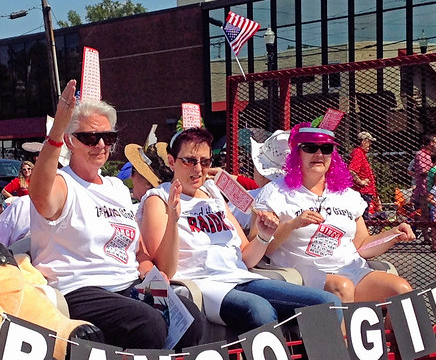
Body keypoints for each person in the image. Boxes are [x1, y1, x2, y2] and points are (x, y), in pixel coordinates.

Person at [28, 79, 205, 350]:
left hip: (129, 285)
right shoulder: (63, 183)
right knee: (149, 324)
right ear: (70, 141)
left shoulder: (117, 188)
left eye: (108, 138)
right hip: (79, 288)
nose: (100, 145)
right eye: (89, 137)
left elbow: (138, 252)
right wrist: (56, 131)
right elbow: (40, 195)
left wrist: (153, 276)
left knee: (191, 318)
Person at [138, 126, 341, 333]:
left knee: (328, 303)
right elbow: (165, 269)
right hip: (202, 283)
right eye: (190, 160)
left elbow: (246, 258)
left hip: (240, 277)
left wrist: (263, 236)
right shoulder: (159, 199)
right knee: (258, 310)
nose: (198, 169)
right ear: (172, 161)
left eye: (205, 162)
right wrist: (173, 218)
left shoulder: (213, 194)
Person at [254, 124, 415, 305]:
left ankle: (389, 334)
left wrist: (393, 235)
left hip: (351, 270)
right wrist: (292, 225)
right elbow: (260, 247)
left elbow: (361, 246)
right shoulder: (275, 192)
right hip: (301, 274)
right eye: (310, 148)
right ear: (296, 154)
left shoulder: (347, 195)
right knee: (342, 287)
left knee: (401, 290)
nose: (319, 154)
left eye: (326, 148)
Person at [347, 131, 379, 219]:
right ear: (363, 141)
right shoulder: (358, 153)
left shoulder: (362, 154)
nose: (370, 144)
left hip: (366, 192)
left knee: (365, 216)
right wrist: (360, 182)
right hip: (362, 192)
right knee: (363, 217)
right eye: (369, 142)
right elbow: (351, 170)